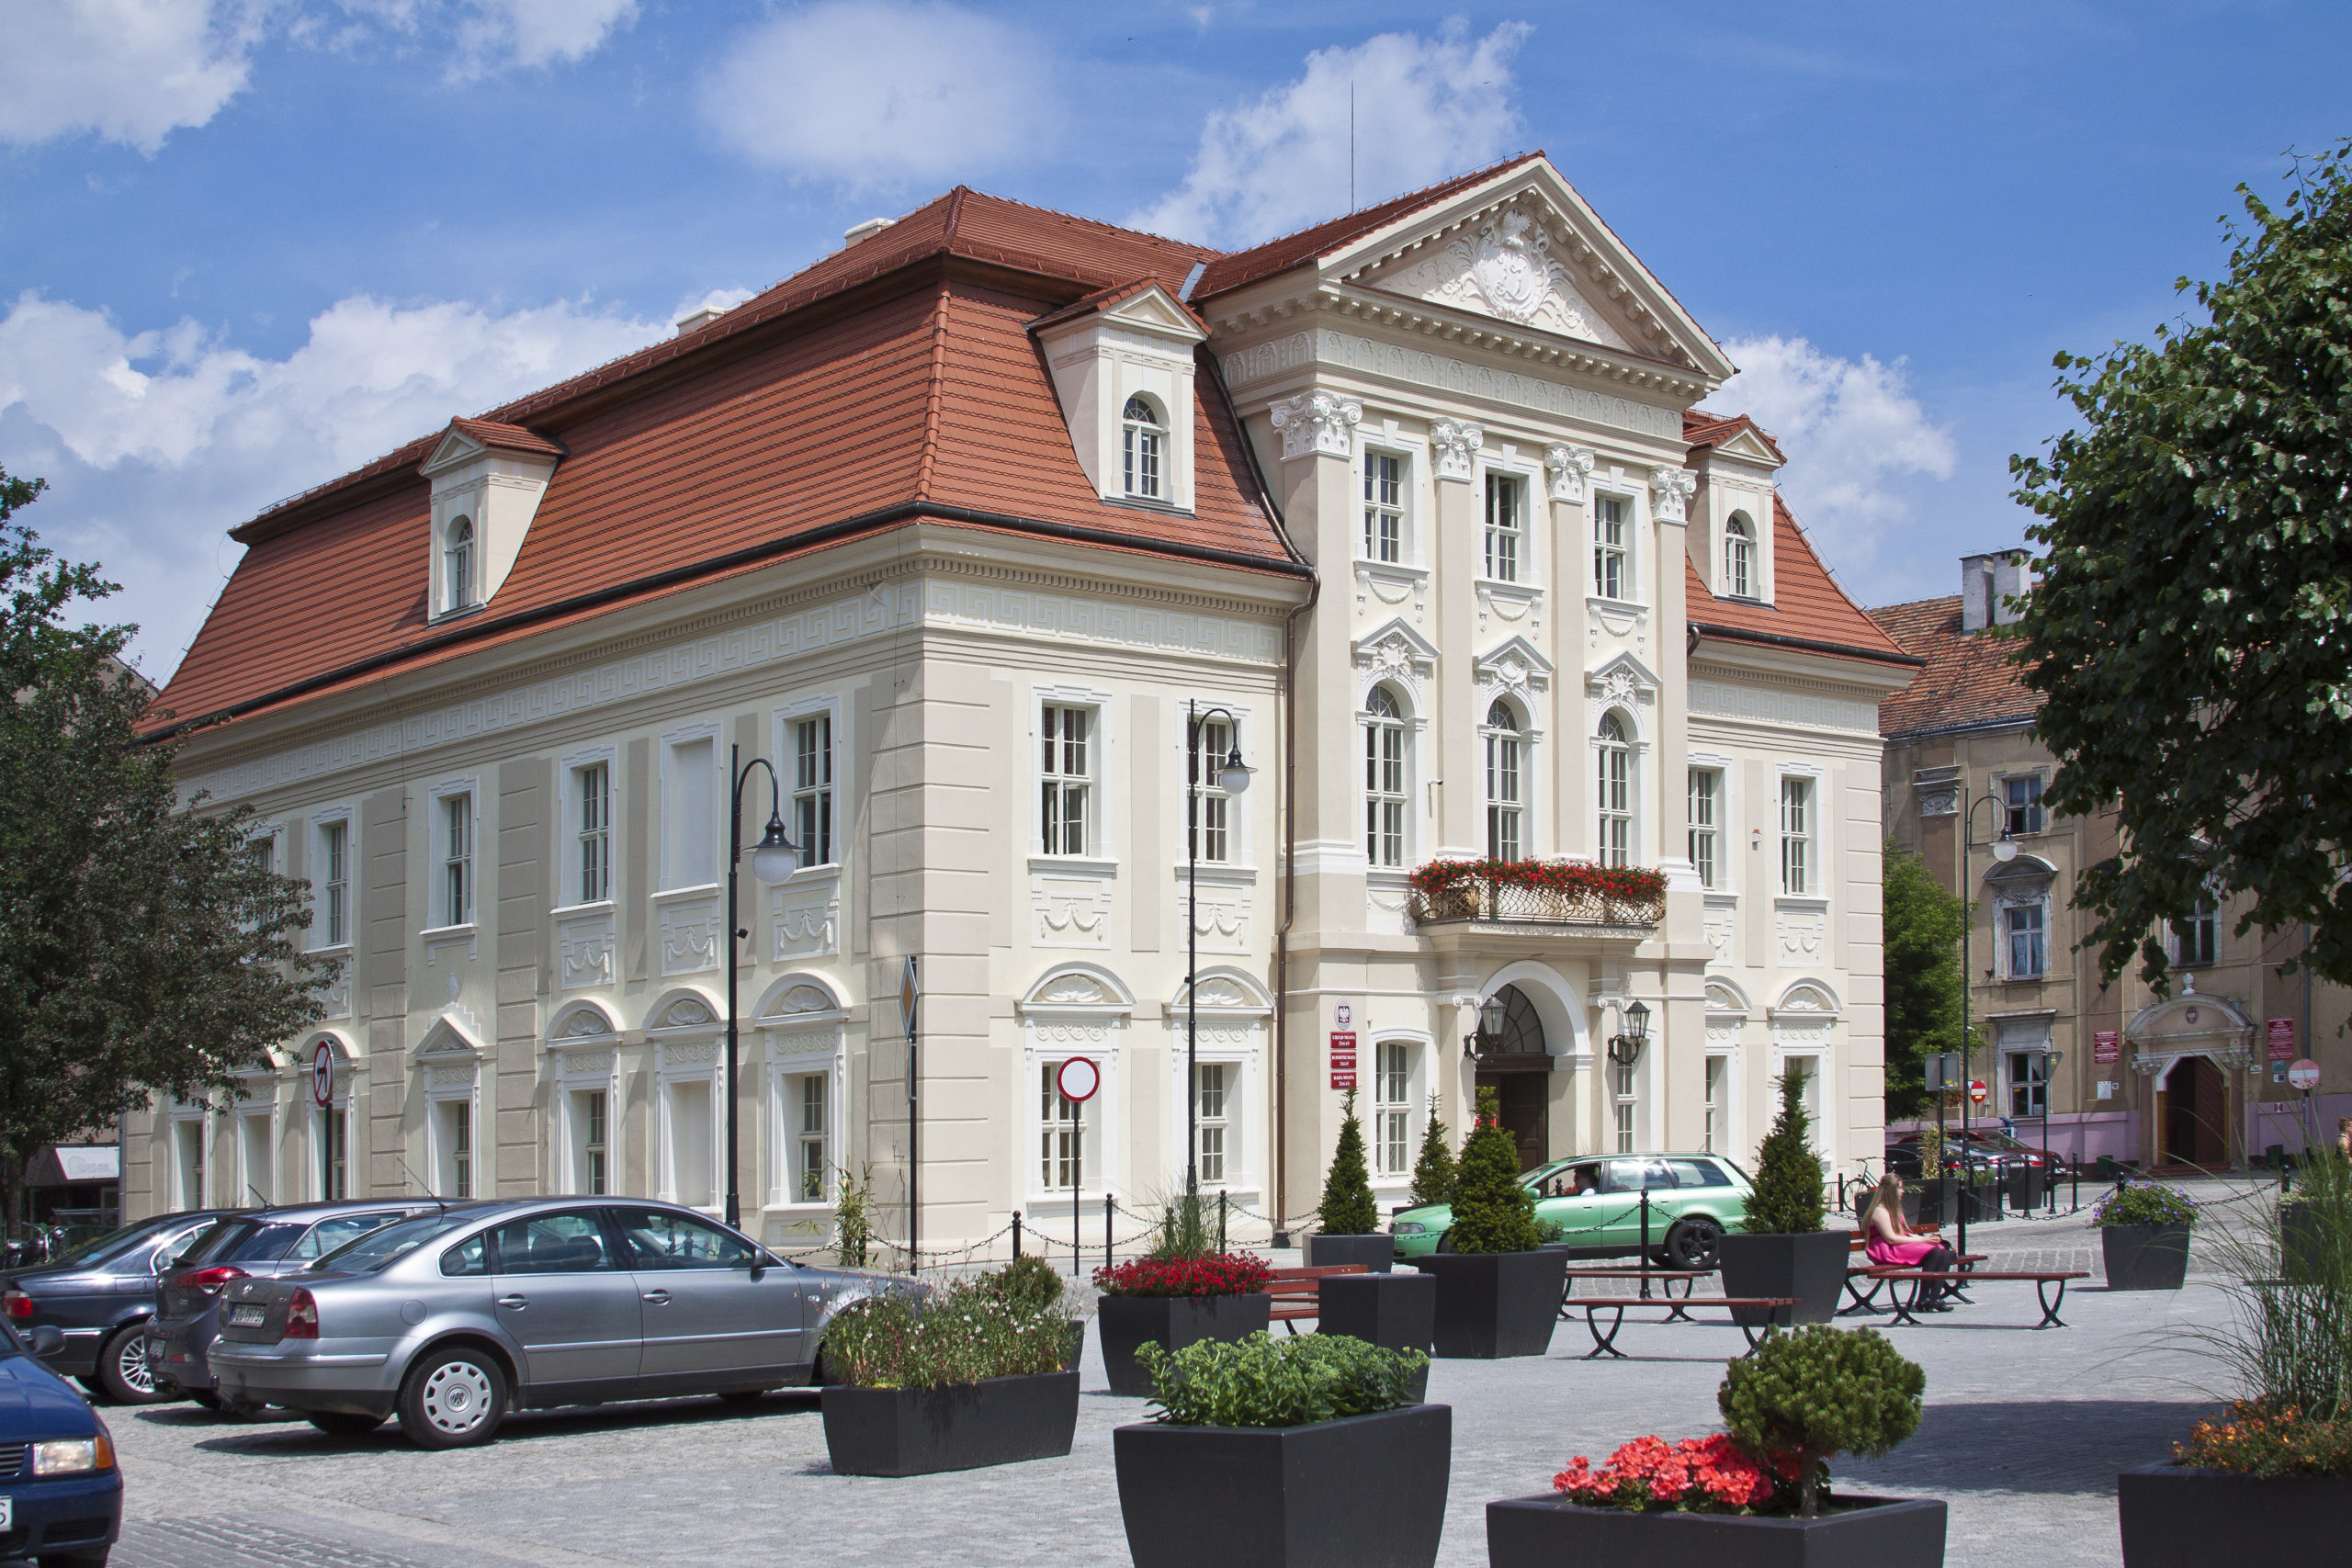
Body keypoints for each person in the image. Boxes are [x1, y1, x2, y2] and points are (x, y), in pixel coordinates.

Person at [1861, 1172, 1959, 1309]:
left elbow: (1904, 1234)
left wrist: (1926, 1239)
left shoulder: (1894, 1209)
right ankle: (1924, 1298)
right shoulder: (1879, 1211)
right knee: (1934, 1253)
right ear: (1890, 1191)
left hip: (1898, 1245)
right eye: (1899, 1188)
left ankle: (1932, 1298)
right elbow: (1891, 1238)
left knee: (1944, 1253)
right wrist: (1923, 1241)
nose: (1902, 1191)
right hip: (1887, 1249)